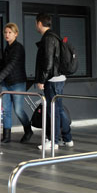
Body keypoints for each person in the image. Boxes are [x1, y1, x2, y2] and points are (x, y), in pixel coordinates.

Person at [34, 13, 73, 150]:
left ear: (39, 23)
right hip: (59, 78)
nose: (36, 26)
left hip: (52, 80)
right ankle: (67, 139)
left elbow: (48, 63)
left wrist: (41, 80)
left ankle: (54, 141)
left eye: (36, 23)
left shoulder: (48, 39)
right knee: (59, 110)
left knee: (53, 111)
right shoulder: (55, 36)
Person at [0, 23, 31, 143]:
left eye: (10, 32)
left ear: (16, 34)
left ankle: (28, 130)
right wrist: (1, 79)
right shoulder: (7, 48)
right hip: (6, 83)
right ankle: (7, 136)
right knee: (6, 110)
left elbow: (11, 65)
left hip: (17, 82)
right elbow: (3, 65)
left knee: (18, 110)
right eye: (5, 32)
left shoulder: (18, 48)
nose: (7, 35)